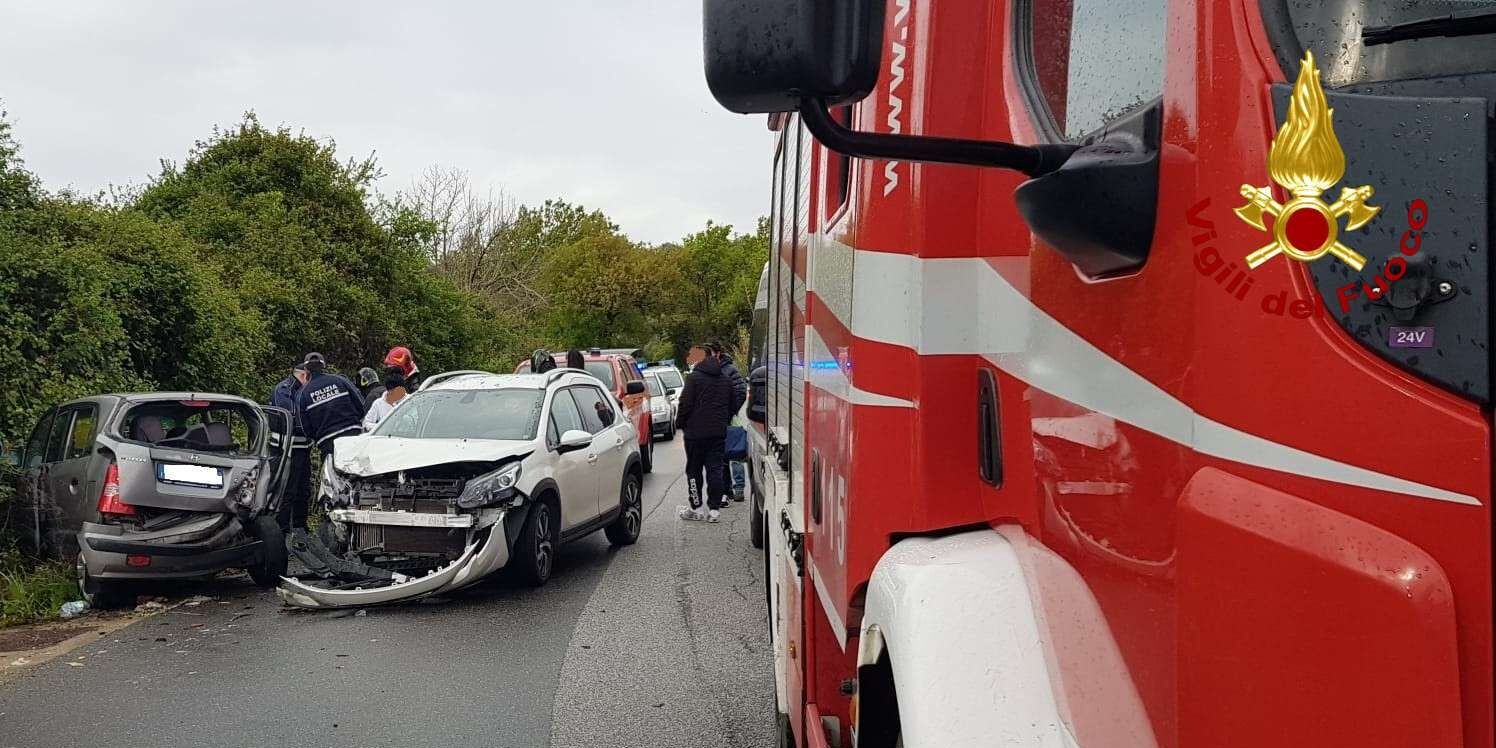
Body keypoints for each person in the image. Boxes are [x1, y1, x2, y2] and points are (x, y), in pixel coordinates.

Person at [676, 344, 734, 523]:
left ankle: (697, 507)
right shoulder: (725, 380)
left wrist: (680, 423)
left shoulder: (694, 379)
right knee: (715, 469)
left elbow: (685, 404)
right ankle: (714, 510)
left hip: (695, 434)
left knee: (693, 470)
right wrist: (723, 421)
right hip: (717, 432)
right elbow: (732, 404)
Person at [293, 352, 365, 460]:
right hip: (354, 435)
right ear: (323, 365)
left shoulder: (302, 393)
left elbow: (304, 427)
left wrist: (317, 436)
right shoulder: (340, 380)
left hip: (327, 443)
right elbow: (360, 404)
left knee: (334, 475)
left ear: (306, 369)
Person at [269, 362, 312, 529]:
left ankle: (301, 527)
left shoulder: (303, 390)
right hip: (285, 449)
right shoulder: (283, 390)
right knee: (287, 490)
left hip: (302, 448)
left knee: (303, 490)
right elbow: (291, 417)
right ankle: (282, 528)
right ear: (303, 375)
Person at [712, 344, 750, 501]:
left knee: (735, 453)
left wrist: (729, 411)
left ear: (718, 354)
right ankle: (725, 490)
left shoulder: (729, 370)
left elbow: (741, 392)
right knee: (720, 457)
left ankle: (739, 488)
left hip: (729, 419)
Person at [362, 366, 409, 432]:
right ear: (388, 390)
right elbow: (366, 423)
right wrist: (382, 427)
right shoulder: (378, 403)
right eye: (392, 392)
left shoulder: (410, 401)